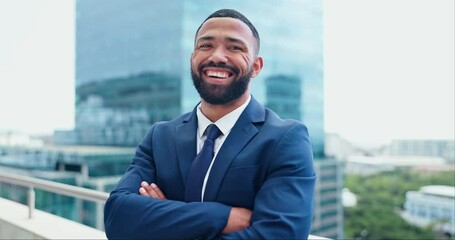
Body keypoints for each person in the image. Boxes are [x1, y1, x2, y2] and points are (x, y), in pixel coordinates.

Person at [104, 8, 316, 239]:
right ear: (192, 58)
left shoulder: (285, 139)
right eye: (206, 46)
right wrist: (223, 217)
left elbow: (281, 235)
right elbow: (118, 217)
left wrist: (164, 220)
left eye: (234, 47)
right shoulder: (159, 136)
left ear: (256, 66)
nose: (217, 56)